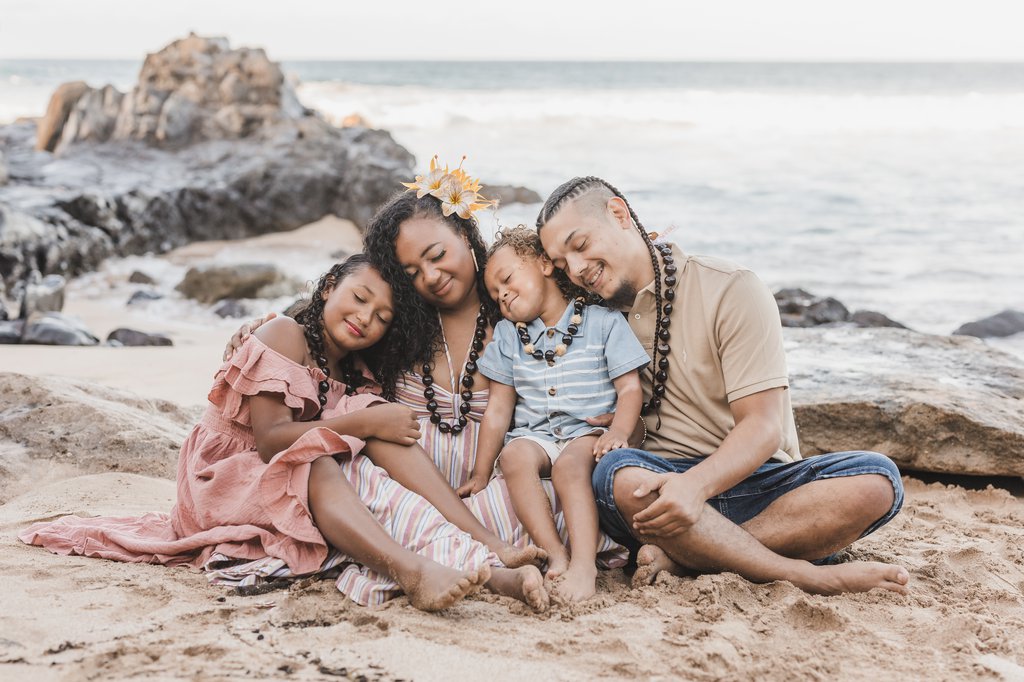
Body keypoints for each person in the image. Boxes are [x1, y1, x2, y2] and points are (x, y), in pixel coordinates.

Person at [22, 254, 548, 612]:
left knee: (384, 441)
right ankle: (409, 572)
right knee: (318, 458)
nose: (366, 317)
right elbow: (274, 440)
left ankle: (486, 544)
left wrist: (374, 422)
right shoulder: (284, 334)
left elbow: (358, 435)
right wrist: (364, 420)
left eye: (383, 315)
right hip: (224, 480)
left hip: (280, 480)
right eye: (359, 298)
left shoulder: (356, 377)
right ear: (327, 289)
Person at [535, 176, 911, 596]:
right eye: (562, 262)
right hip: (657, 490)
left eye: (581, 244)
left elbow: (764, 427)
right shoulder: (585, 323)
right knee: (616, 476)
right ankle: (803, 573)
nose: (577, 268)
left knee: (878, 480)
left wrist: (694, 488)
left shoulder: (729, 287)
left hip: (764, 485)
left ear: (619, 214)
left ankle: (685, 557)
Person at [466, 226, 650, 602]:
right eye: (495, 294)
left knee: (569, 466)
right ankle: (555, 553)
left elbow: (630, 388)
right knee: (514, 455)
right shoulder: (507, 336)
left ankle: (584, 564)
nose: (503, 294)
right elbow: (499, 409)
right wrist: (481, 472)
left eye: (507, 279)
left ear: (544, 264)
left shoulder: (602, 321)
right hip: (536, 437)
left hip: (586, 433)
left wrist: (618, 430)